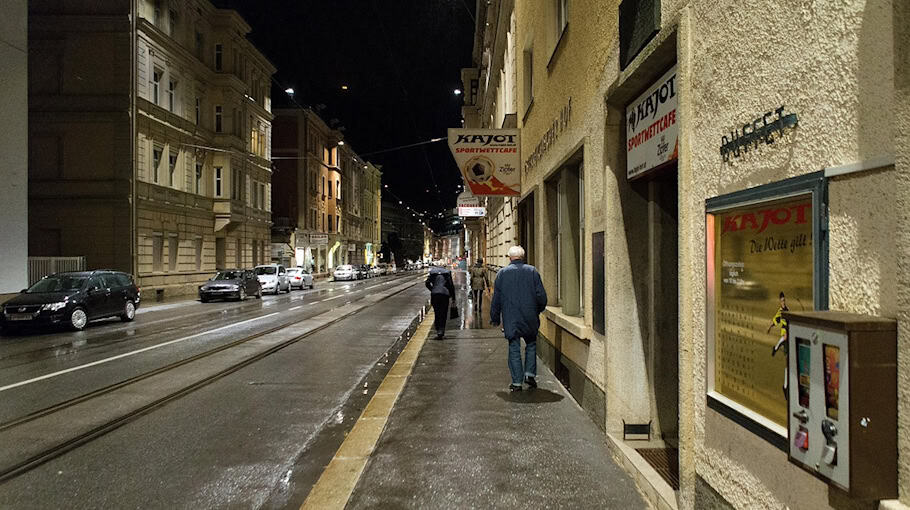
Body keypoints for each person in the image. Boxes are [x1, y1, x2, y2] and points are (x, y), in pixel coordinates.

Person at [490, 246, 548, 392]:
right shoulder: (532, 271)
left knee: (514, 346)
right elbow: (541, 296)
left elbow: (496, 299)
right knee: (531, 344)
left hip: (511, 317)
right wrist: (538, 309)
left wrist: (495, 317)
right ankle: (530, 375)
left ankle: (516, 382)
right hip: (530, 315)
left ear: (510, 258)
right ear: (523, 257)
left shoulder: (502, 274)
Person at [425, 263, 456, 339]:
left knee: (437, 313)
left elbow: (427, 283)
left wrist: (432, 289)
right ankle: (441, 331)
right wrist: (453, 297)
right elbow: (451, 285)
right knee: (444, 313)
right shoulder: (447, 273)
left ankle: (438, 330)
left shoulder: (433, 273)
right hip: (444, 295)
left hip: (435, 295)